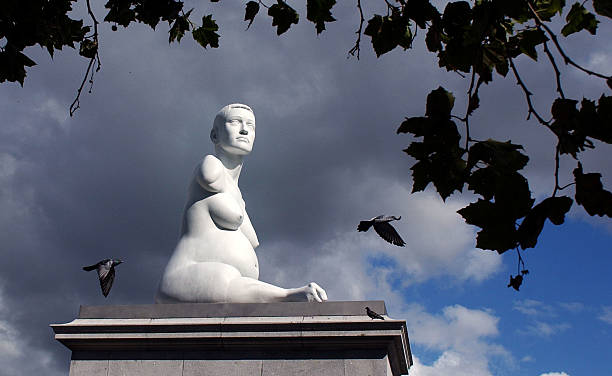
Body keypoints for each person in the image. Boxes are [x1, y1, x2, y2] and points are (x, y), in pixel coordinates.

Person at [155, 104, 328, 303]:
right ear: (214, 136)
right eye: (235, 122)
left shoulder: (238, 197)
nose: (244, 130)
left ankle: (286, 295)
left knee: (228, 279)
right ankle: (287, 295)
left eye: (250, 126)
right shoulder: (211, 165)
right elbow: (209, 177)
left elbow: (253, 240)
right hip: (188, 278)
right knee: (225, 278)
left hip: (229, 289)